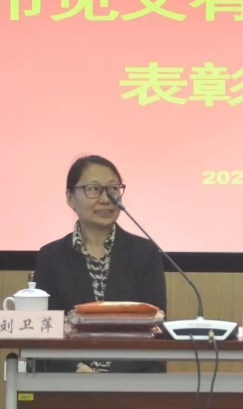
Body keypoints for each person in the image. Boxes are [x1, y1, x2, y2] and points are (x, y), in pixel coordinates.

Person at [33, 155, 167, 373]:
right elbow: (46, 329)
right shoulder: (51, 256)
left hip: (133, 379)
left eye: (113, 189)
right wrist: (77, 370)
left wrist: (111, 377)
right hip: (69, 380)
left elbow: (155, 328)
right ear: (70, 198)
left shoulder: (145, 253)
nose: (106, 199)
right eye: (94, 189)